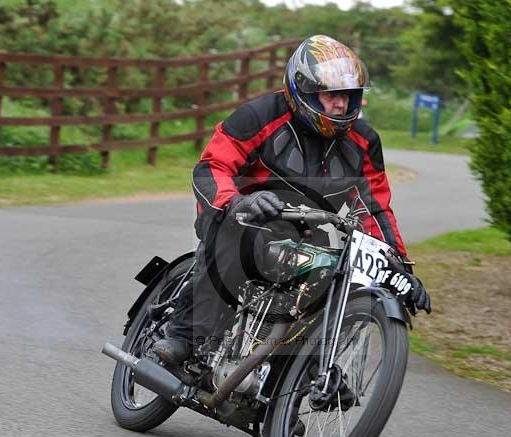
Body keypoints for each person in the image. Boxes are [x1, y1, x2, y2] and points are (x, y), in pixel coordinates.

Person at [152, 35, 431, 366]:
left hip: (313, 234)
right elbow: (213, 167)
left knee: (342, 272)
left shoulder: (364, 140)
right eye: (332, 95)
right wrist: (236, 203)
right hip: (246, 216)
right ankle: (184, 336)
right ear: (305, 91)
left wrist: (399, 266)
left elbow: (376, 206)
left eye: (348, 96)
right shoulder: (258, 116)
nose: (341, 105)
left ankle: (298, 380)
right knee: (235, 234)